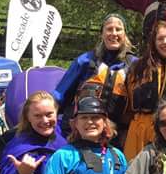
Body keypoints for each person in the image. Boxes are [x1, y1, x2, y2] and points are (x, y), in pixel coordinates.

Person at [53, 13, 137, 142]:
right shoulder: (85, 61)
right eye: (109, 29)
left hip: (116, 139)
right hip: (80, 135)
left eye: (118, 29)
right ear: (102, 34)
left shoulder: (135, 65)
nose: (113, 33)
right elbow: (59, 96)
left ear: (124, 35)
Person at [122, 19, 166, 161]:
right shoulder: (137, 68)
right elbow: (128, 104)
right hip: (139, 132)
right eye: (160, 39)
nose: (165, 42)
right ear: (153, 43)